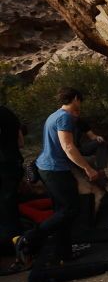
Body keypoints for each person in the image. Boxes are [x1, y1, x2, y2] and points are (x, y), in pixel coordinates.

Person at [13, 87, 99, 266]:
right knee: (70, 210)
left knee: (61, 211)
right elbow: (68, 147)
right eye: (80, 100)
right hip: (54, 169)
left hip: (48, 167)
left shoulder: (55, 115)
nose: (80, 105)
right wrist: (88, 168)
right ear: (75, 98)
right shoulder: (64, 117)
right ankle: (28, 238)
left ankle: (64, 253)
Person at [0, 105, 24, 263]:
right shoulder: (7, 112)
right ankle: (20, 246)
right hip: (13, 164)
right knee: (10, 208)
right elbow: (21, 142)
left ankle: (13, 250)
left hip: (2, 168)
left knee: (5, 210)